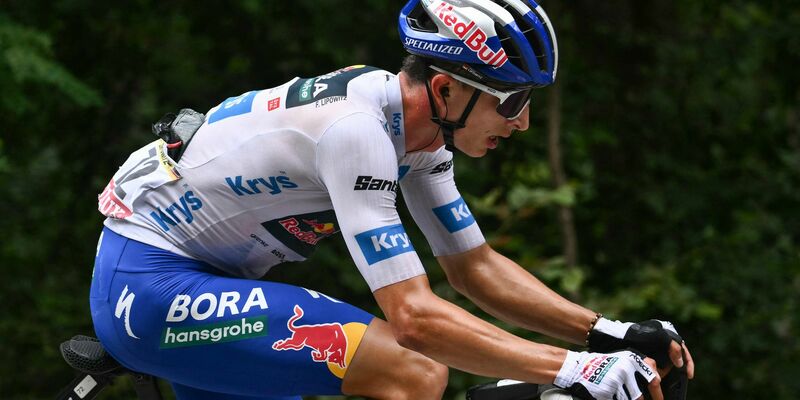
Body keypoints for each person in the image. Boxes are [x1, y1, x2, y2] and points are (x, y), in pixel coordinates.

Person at [90, 0, 694, 399]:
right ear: (445, 88)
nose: (523, 122)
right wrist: (573, 371)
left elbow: (473, 269)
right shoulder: (356, 131)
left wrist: (607, 335)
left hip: (206, 280)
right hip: (151, 283)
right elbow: (414, 321)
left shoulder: (420, 135)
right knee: (413, 372)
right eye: (510, 102)